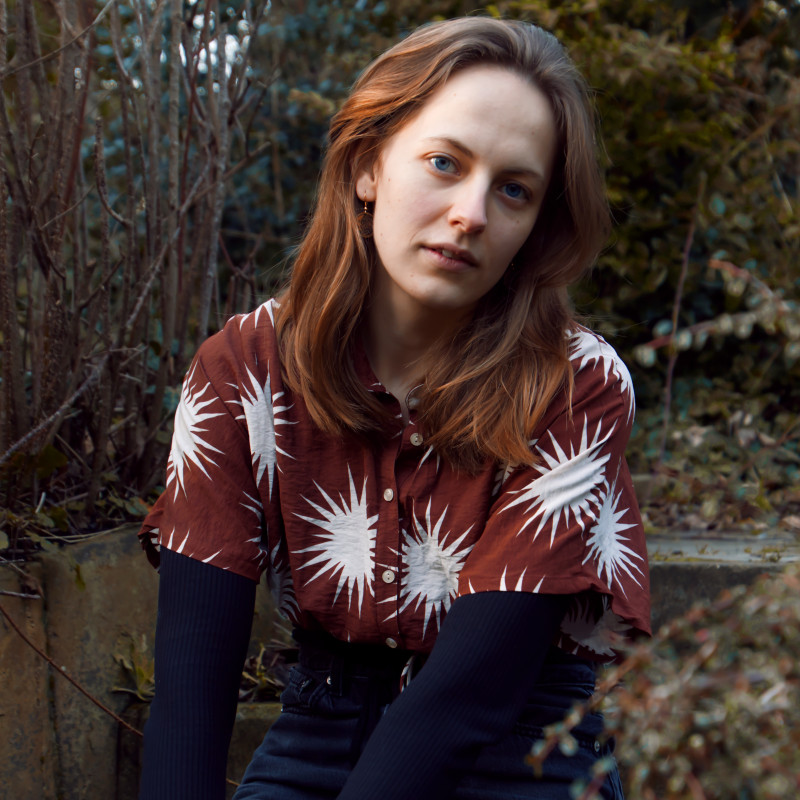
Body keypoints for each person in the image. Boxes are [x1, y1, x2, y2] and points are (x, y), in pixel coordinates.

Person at [137, 16, 650, 800]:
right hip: (318, 734)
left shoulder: (574, 383)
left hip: (519, 749)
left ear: (535, 227)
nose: (471, 213)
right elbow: (189, 694)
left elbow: (469, 696)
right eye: (445, 163)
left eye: (513, 189)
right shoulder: (242, 370)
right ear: (368, 165)